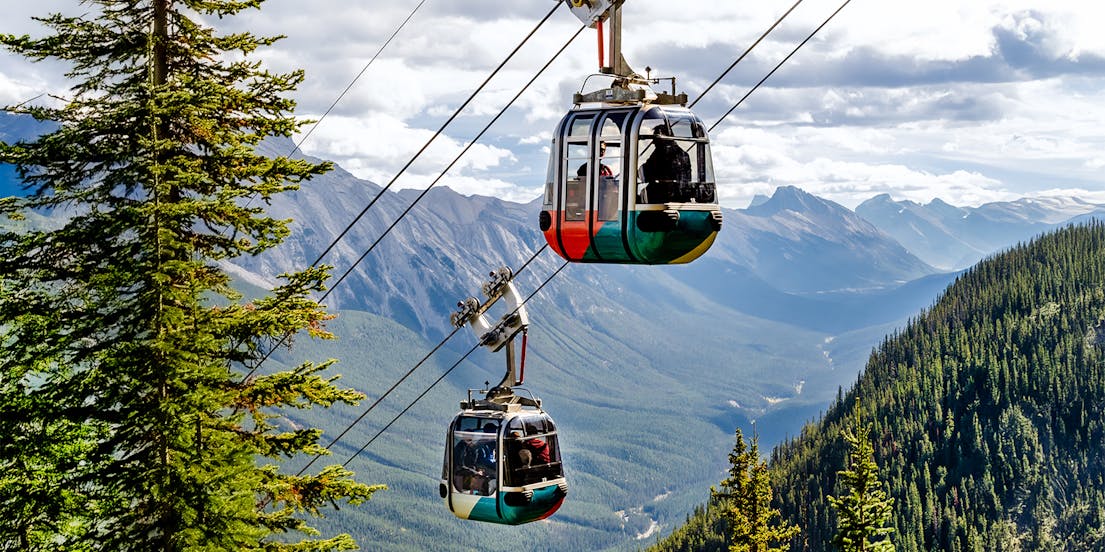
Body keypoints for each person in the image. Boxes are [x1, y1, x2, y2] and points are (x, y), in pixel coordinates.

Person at [640, 126, 691, 203]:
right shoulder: (684, 154)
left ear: (662, 138)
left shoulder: (660, 153)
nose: (653, 142)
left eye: (655, 138)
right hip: (682, 198)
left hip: (663, 197)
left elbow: (645, 172)